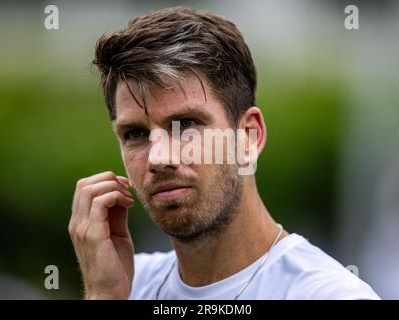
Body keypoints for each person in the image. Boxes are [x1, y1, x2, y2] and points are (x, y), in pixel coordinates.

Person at [68, 6, 379, 300]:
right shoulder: (126, 282)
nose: (159, 158)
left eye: (186, 124)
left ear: (248, 137)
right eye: (135, 134)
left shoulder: (327, 294)